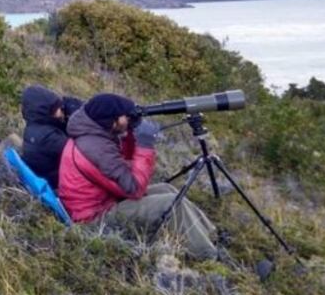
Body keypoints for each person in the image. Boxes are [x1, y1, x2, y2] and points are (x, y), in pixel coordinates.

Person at [59, 93, 219, 260]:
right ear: (112, 120)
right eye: (125, 117)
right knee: (172, 203)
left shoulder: (94, 134)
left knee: (168, 189)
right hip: (93, 219)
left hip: (105, 200)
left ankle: (210, 235)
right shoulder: (95, 148)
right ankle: (207, 256)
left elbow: (123, 164)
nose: (128, 118)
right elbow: (134, 188)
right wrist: (144, 146)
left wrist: (130, 135)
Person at [19, 85, 82, 189]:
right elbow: (78, 153)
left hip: (51, 173)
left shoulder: (36, 127)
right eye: (56, 108)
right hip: (56, 182)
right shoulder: (47, 137)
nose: (61, 109)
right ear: (46, 111)